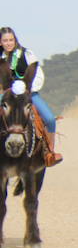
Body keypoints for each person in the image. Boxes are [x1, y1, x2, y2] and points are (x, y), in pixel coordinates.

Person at [0, 27, 62, 166]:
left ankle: (49, 152)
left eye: (11, 40)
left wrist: (26, 89)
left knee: (50, 119)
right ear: (0, 42)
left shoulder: (27, 54)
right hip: (4, 96)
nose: (9, 43)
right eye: (5, 40)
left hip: (28, 94)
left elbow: (38, 75)